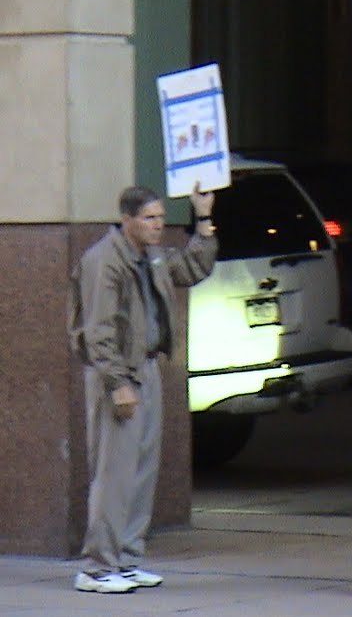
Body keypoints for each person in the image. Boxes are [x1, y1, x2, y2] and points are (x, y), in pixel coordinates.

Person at [68, 183, 217, 594]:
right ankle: (98, 566)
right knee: (114, 473)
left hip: (147, 367)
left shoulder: (149, 256)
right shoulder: (105, 261)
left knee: (141, 470)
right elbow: (98, 331)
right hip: (116, 375)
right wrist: (117, 384)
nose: (157, 226)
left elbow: (192, 268)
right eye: (149, 218)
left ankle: (127, 559)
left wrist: (202, 219)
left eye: (160, 218)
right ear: (127, 219)